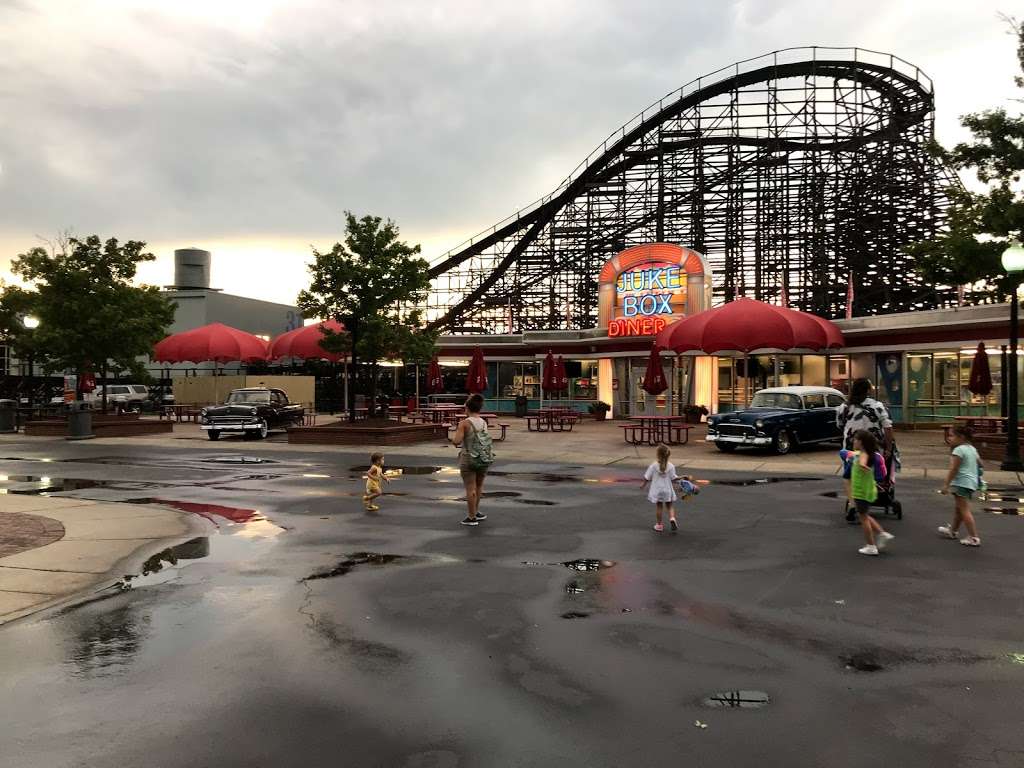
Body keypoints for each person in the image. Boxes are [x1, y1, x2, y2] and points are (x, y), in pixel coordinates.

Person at [837, 378, 895, 522]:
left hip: (851, 448)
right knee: (871, 474)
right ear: (868, 390)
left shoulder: (843, 407)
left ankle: (852, 503)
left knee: (849, 477)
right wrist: (888, 448)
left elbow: (839, 425)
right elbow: (888, 427)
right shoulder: (877, 406)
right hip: (873, 449)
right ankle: (870, 498)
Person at [839, 430, 894, 556]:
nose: (853, 441)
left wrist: (864, 467)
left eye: (856, 439)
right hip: (867, 491)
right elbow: (845, 453)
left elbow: (862, 462)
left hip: (861, 492)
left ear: (861, 443)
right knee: (865, 515)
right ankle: (882, 533)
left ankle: (871, 545)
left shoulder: (862, 454)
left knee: (863, 518)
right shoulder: (867, 454)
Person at [449, 393, 494, 526]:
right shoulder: (483, 422)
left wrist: (454, 438)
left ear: (467, 408)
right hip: (483, 457)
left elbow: (456, 441)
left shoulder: (464, 423)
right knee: (479, 486)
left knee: (470, 488)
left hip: (468, 458)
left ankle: (471, 517)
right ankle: (476, 510)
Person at [939, 425, 982, 547]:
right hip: (970, 482)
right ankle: (953, 531)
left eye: (952, 435)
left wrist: (946, 485)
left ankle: (974, 537)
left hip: (961, 482)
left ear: (961, 437)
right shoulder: (972, 449)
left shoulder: (958, 450)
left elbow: (954, 469)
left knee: (964, 510)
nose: (949, 438)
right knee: (959, 509)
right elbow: (980, 463)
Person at [641, 444, 680, 533]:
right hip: (667, 489)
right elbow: (674, 478)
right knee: (669, 506)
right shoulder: (670, 466)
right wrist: (682, 479)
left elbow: (647, 477)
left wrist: (643, 485)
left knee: (659, 506)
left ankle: (659, 525)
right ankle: (672, 518)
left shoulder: (654, 465)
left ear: (658, 454)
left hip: (657, 490)